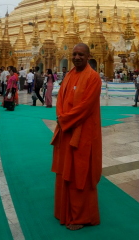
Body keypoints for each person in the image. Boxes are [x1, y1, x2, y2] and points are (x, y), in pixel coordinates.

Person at [52, 43, 102, 230]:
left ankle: (81, 216)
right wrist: (60, 117)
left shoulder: (94, 77)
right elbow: (60, 101)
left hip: (83, 132)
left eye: (81, 54)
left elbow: (86, 106)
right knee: (66, 170)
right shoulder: (69, 76)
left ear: (88, 56)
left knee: (80, 173)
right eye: (74, 54)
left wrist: (64, 119)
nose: (77, 57)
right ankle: (64, 210)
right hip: (66, 130)